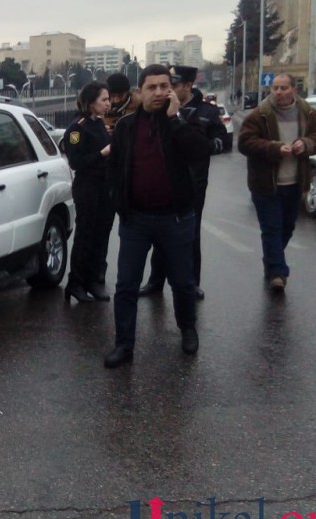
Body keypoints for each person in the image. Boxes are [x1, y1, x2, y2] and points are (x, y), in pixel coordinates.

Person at [103, 65, 212, 368]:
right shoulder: (126, 127)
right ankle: (124, 344)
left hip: (175, 218)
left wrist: (174, 120)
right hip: (136, 219)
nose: (160, 92)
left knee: (182, 281)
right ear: (140, 92)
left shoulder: (184, 120)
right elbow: (114, 167)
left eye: (165, 86)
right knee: (126, 284)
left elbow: (200, 152)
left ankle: (187, 330)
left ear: (172, 90)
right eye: (152, 87)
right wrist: (118, 201)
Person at [139, 65, 226, 300]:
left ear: (187, 86)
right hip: (165, 180)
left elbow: (220, 139)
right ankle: (155, 281)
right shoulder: (158, 111)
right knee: (159, 233)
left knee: (190, 233)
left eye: (173, 86)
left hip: (193, 181)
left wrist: (211, 146)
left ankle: (192, 283)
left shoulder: (205, 111)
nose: (168, 91)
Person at [237, 74, 316, 292]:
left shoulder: (307, 112)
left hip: (295, 181)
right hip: (265, 184)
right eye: (275, 88)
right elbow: (245, 142)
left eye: (283, 88)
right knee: (272, 228)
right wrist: (273, 148)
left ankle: (271, 259)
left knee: (287, 227)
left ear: (294, 90)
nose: (278, 92)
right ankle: (278, 273)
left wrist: (306, 144)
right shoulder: (260, 114)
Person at [62, 81, 114, 303]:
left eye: (108, 99)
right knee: (86, 235)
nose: (108, 104)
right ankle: (76, 282)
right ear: (91, 103)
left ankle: (94, 280)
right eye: (104, 100)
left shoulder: (99, 123)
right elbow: (76, 162)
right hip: (87, 187)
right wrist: (102, 153)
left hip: (105, 186)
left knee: (102, 234)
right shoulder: (77, 128)